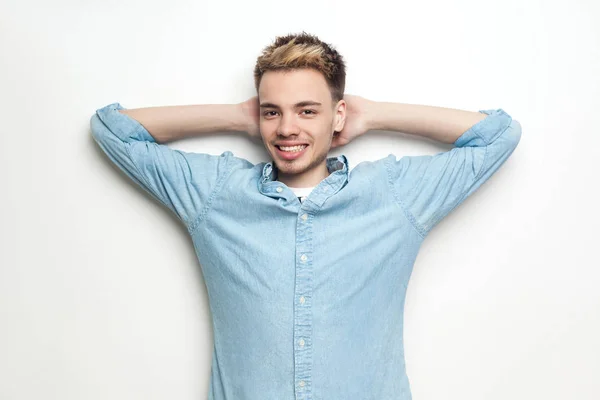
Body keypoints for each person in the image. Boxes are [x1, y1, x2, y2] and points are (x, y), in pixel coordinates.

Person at [90, 32, 521, 400]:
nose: (286, 129)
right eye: (272, 111)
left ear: (337, 115)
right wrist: (239, 117)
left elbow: (499, 136)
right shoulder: (216, 193)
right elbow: (112, 129)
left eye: (307, 110)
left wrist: (372, 114)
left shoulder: (393, 195)